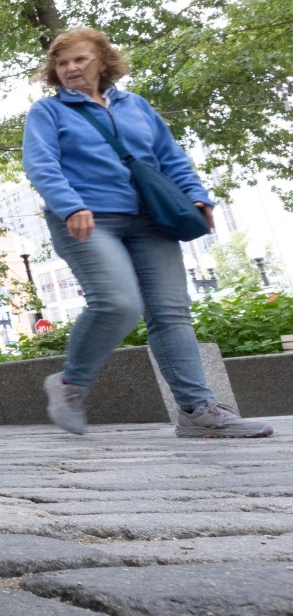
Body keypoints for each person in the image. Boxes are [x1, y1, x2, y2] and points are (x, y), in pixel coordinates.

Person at [21, 27, 271, 438]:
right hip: (87, 219)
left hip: (150, 220)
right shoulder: (48, 113)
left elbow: (170, 158)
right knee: (118, 303)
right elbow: (42, 164)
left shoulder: (135, 106)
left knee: (171, 313)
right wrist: (71, 205)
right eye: (62, 63)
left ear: (102, 61)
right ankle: (69, 385)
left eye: (80, 59)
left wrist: (197, 196)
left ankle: (197, 412)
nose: (70, 68)